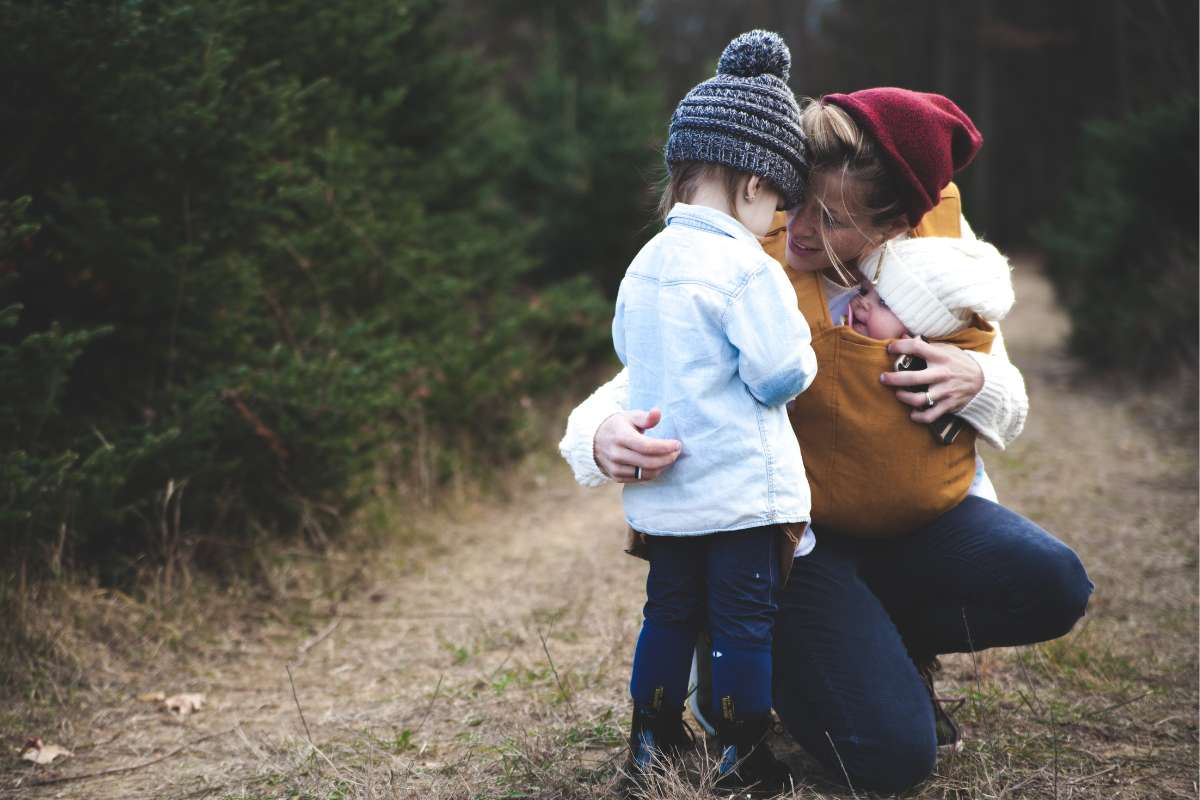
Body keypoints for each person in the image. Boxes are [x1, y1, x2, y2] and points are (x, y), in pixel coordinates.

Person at [560, 87, 1093, 793]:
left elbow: (1009, 399)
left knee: (1055, 583)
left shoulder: (937, 270)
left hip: (915, 527)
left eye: (832, 219)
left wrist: (978, 380)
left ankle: (884, 643)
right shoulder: (750, 258)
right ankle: (776, 648)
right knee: (892, 759)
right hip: (793, 545)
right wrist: (597, 434)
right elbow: (653, 370)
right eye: (797, 201)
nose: (800, 228)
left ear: (895, 224)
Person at [615, 30, 814, 792]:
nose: (776, 222)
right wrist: (803, 350)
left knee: (666, 613)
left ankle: (651, 737)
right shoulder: (745, 266)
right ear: (755, 184)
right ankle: (741, 750)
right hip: (739, 495)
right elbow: (777, 375)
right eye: (779, 203)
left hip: (666, 496)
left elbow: (630, 350)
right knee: (740, 625)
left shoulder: (645, 262)